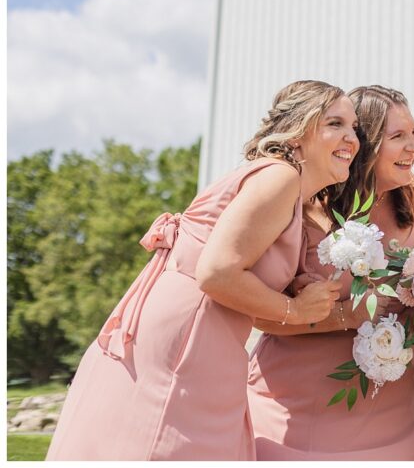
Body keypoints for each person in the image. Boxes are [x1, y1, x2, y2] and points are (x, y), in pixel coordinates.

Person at [46, 80, 353, 460]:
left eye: (353, 127)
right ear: (299, 130)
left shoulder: (281, 186)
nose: (351, 138)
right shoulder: (280, 177)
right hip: (189, 339)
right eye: (335, 123)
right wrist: (296, 311)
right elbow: (217, 273)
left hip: (199, 336)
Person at [247, 85, 414, 460]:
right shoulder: (309, 204)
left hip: (391, 411)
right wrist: (342, 316)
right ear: (364, 143)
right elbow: (260, 314)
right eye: (398, 136)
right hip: (299, 408)